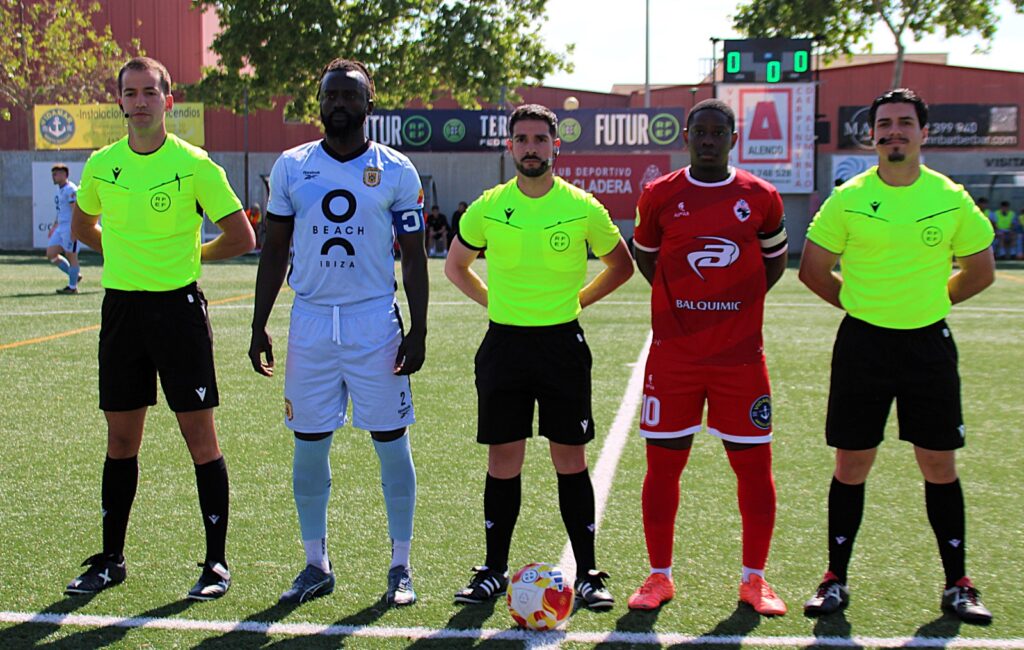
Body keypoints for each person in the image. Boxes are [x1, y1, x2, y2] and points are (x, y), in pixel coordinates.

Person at [798, 88, 995, 624]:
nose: (894, 132)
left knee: (939, 464)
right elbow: (813, 270)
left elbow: (980, 270)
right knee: (851, 463)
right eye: (884, 124)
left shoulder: (950, 197)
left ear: (923, 132)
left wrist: (928, 305)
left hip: (928, 345)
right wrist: (866, 307)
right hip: (863, 344)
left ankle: (958, 584)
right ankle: (835, 578)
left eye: (904, 123)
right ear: (872, 135)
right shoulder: (848, 198)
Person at [66, 56, 255, 600]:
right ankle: (111, 560)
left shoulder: (195, 165)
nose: (141, 101)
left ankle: (216, 564)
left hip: (178, 314)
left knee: (201, 439)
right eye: (131, 93)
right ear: (120, 102)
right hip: (122, 313)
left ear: (168, 101)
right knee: (121, 440)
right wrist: (126, 255)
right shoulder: (102, 164)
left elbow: (242, 237)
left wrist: (191, 257)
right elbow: (83, 226)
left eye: (151, 92)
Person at [249, 58, 427, 607]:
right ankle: (315, 564)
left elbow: (414, 257)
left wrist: (419, 328)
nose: (340, 104)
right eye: (331, 96)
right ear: (320, 103)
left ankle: (400, 565)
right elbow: (274, 249)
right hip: (309, 322)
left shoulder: (396, 170)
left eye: (350, 96)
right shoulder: (291, 166)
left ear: (369, 104)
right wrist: (258, 323)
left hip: (374, 321)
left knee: (391, 442)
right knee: (308, 444)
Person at [445, 104, 634, 610]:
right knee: (503, 459)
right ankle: (493, 570)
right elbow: (456, 266)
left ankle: (588, 572)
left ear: (556, 146)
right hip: (504, 346)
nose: (531, 148)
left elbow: (621, 266)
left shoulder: (582, 206)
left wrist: (578, 302)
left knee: (570, 459)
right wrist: (495, 304)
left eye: (540, 139)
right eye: (522, 139)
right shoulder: (488, 206)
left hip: (561, 347)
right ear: (510, 146)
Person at [626, 99, 789, 616]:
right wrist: (682, 306)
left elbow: (774, 263)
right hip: (674, 359)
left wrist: (734, 306)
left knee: (754, 469)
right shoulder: (660, 193)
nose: (710, 140)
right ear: (688, 136)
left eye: (720, 132)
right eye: (702, 131)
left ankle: (755, 580)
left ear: (734, 138)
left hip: (740, 360)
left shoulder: (761, 197)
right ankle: (659, 576)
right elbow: (647, 257)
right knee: (662, 468)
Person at [46, 163, 82, 294]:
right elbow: (60, 211)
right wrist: (54, 226)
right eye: (53, 174)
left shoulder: (71, 189)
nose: (53, 176)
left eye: (56, 174)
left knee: (71, 255)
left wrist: (74, 229)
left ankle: (72, 287)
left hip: (69, 227)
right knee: (51, 254)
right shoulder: (59, 190)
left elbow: (75, 210)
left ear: (64, 175)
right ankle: (75, 275)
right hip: (61, 227)